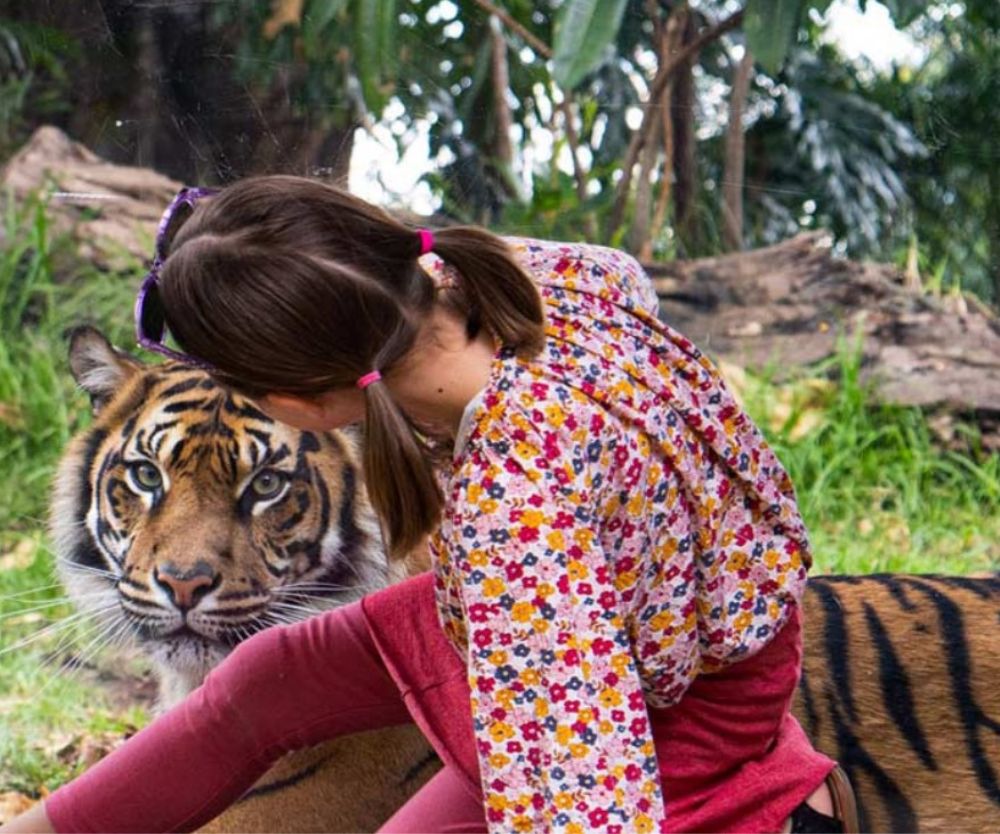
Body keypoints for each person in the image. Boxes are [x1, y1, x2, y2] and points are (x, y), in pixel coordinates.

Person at [2, 177, 858, 834]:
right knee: (269, 678)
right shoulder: (539, 277)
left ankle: (770, 803)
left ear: (299, 398)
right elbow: (626, 280)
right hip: (672, 623)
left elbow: (587, 802)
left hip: (674, 715)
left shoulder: (512, 517)